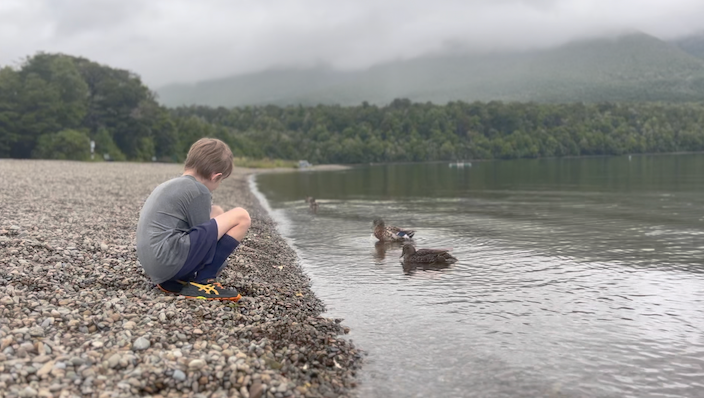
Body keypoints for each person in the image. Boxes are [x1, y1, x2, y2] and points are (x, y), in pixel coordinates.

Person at [136, 138, 251, 300]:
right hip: (167, 261)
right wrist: (218, 264)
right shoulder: (199, 190)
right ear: (215, 176)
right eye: (221, 181)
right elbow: (206, 245)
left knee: (217, 211)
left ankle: (180, 279)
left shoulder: (172, 184)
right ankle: (205, 281)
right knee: (241, 216)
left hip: (155, 264)